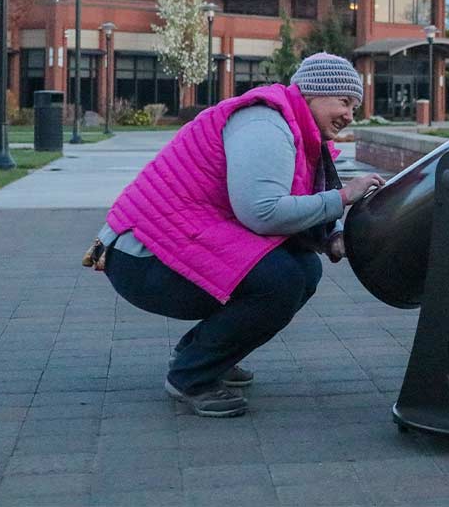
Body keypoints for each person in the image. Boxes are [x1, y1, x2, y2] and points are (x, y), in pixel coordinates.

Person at [86, 52, 386, 417]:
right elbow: (263, 212)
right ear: (313, 94)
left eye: (354, 106)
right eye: (344, 102)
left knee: (303, 268)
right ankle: (191, 377)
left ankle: (202, 354)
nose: (349, 115)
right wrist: (343, 198)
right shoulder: (265, 124)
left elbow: (297, 195)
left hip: (165, 243)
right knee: (282, 280)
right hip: (141, 257)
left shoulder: (291, 127)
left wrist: (330, 235)